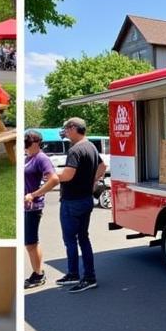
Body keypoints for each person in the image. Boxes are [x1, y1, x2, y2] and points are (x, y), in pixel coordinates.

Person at [57, 117, 106, 293]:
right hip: (85, 199)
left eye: (66, 128)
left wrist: (53, 175)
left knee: (70, 240)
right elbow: (103, 166)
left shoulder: (75, 150)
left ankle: (79, 275)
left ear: (73, 128)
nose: (65, 132)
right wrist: (92, 181)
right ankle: (82, 275)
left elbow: (68, 175)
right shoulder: (91, 146)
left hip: (72, 201)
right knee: (83, 238)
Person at [23, 130, 59, 289]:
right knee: (28, 242)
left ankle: (38, 274)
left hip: (33, 206)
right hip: (25, 206)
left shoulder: (41, 159)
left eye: (27, 140)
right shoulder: (28, 157)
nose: (24, 143)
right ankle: (37, 272)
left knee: (31, 242)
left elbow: (54, 179)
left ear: (36, 142)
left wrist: (34, 194)